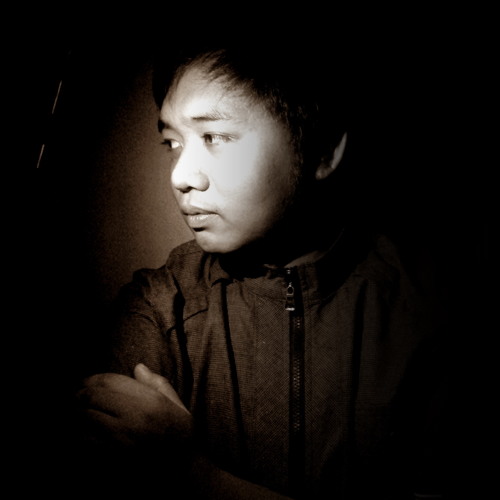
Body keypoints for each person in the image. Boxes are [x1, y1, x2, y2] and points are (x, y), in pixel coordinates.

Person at [74, 38, 449, 499]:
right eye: (173, 142)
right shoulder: (163, 305)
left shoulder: (426, 310)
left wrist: (192, 473)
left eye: (214, 138)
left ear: (323, 150)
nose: (180, 176)